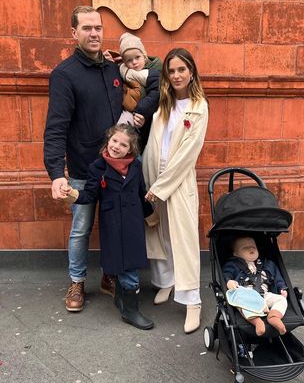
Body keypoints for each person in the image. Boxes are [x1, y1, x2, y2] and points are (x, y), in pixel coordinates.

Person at [44, 6, 124, 312]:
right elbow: (55, 129)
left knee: (113, 224)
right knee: (81, 227)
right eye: (87, 28)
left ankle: (109, 276)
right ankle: (77, 281)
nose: (94, 33)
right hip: (82, 170)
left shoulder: (113, 69)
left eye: (98, 28)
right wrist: (56, 172)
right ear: (74, 33)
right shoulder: (64, 75)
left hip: (117, 167)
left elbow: (149, 70)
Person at [60, 124, 154, 330]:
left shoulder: (136, 165)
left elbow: (141, 191)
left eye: (123, 144)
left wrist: (150, 214)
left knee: (131, 262)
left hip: (133, 222)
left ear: (130, 149)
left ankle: (125, 303)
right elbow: (91, 194)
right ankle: (131, 310)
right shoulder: (97, 167)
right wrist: (73, 194)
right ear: (108, 140)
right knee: (121, 262)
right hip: (112, 223)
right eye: (114, 141)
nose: (116, 146)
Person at [142, 48, 209, 334]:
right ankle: (165, 281)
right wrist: (149, 182)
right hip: (154, 177)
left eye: (182, 69)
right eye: (172, 70)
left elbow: (187, 154)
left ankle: (192, 301)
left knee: (183, 238)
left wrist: (162, 187)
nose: (177, 75)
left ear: (191, 71)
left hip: (177, 181)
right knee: (158, 232)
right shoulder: (164, 105)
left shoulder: (199, 106)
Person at [106, 32, 161, 152]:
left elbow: (156, 95)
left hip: (149, 119)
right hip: (130, 116)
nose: (134, 62)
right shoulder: (121, 72)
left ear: (144, 56)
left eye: (137, 57)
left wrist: (139, 110)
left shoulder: (155, 72)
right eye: (129, 60)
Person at [222, 236, 288, 336]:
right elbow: (226, 274)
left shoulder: (268, 264)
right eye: (245, 247)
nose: (251, 249)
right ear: (236, 254)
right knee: (241, 304)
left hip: (264, 295)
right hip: (247, 297)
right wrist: (229, 281)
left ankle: (274, 316)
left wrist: (282, 288)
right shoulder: (233, 265)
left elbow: (278, 278)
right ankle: (257, 322)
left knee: (281, 300)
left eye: (253, 247)